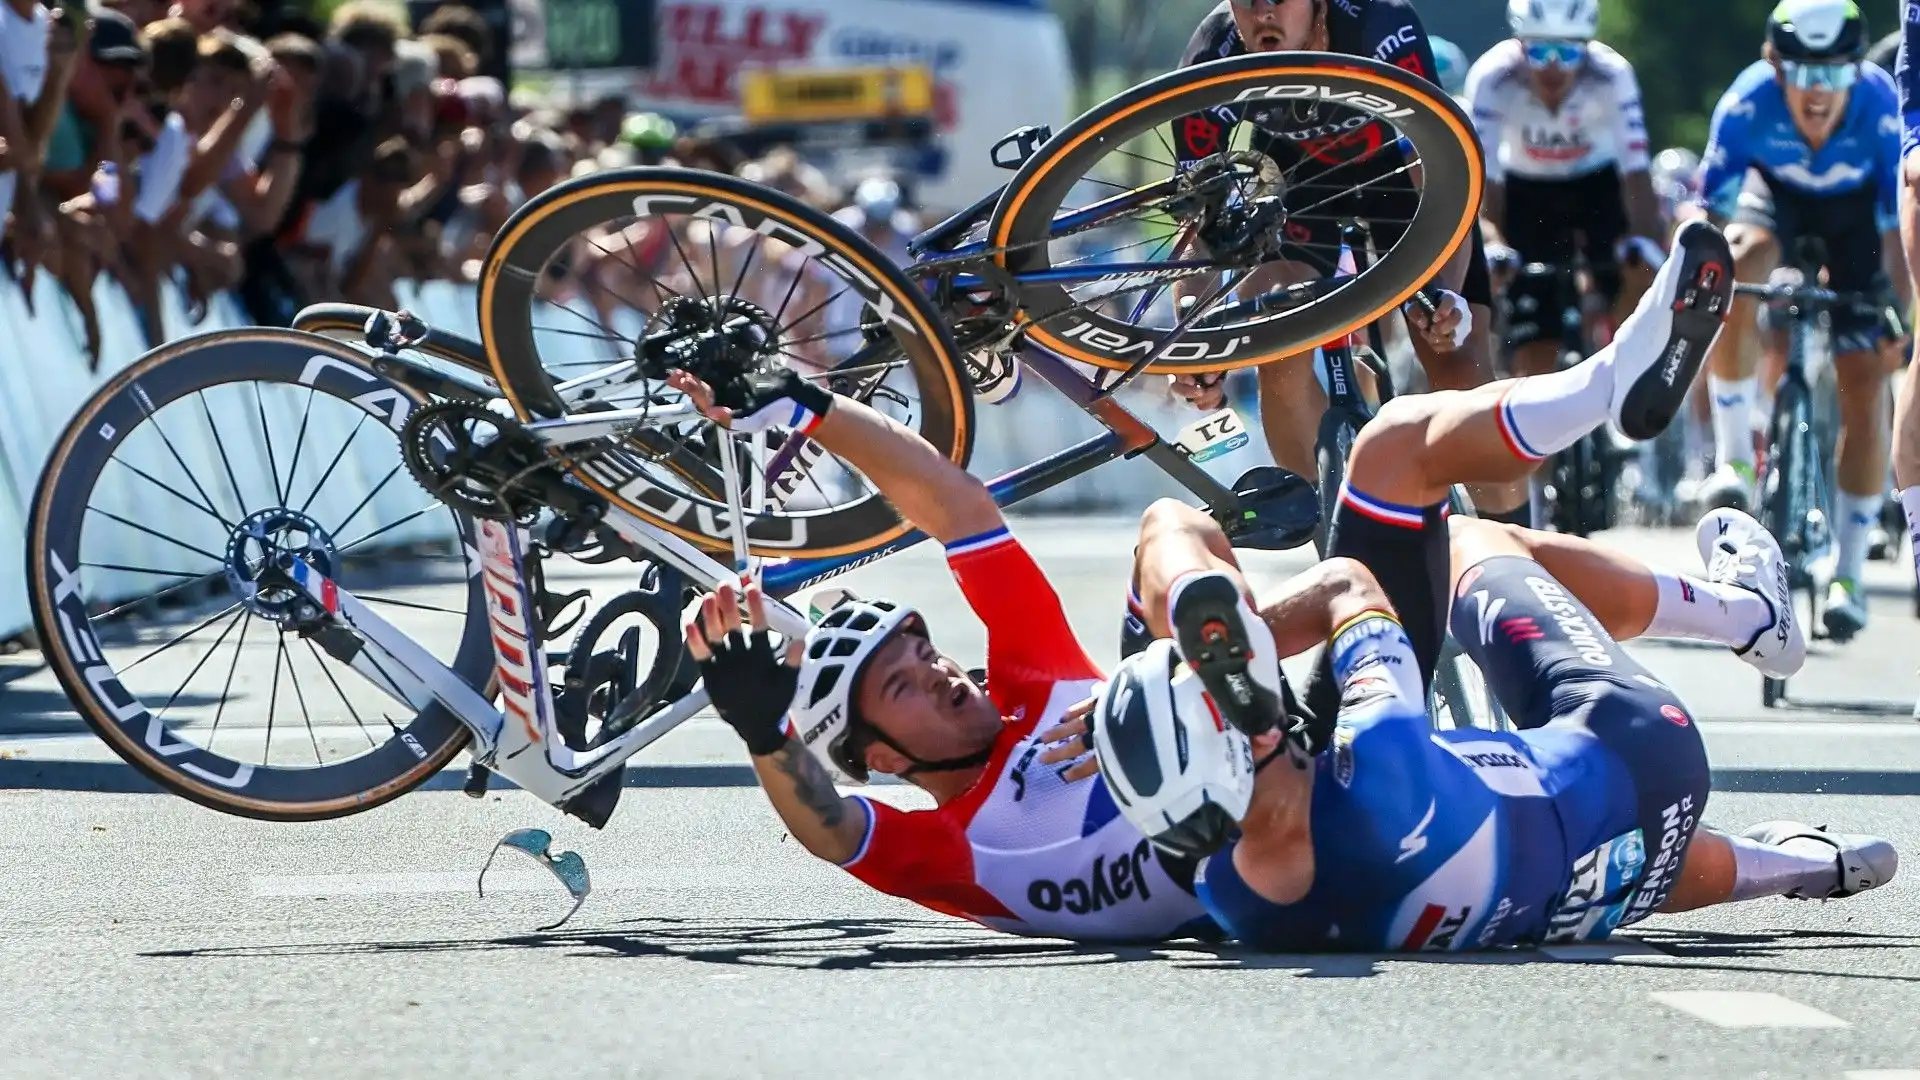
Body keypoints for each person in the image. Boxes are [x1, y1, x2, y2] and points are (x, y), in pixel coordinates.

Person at [668, 218, 1895, 949]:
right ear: (884, 759)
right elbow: (828, 830)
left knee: (1297, 508)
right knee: (1434, 517)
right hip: (1310, 783)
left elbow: (956, 509)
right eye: (908, 687)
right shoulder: (952, 848)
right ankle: (1734, 609)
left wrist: (804, 406)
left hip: (1278, 742)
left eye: (924, 651)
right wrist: (772, 735)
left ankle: (1695, 547)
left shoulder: (1032, 686)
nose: (942, 671)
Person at [1047, 219, 1898, 950]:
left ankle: (1802, 862)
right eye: (1239, 703)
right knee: (1422, 489)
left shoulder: (1236, 902)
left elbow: (1626, 869)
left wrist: (1796, 869)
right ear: (1251, 739)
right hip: (1639, 736)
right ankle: (1711, 556)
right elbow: (1347, 586)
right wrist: (1226, 640)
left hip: (1634, 853)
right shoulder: (1377, 764)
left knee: (1585, 856)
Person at [1163, 0, 1532, 528]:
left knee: (1461, 370)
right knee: (1278, 345)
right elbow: (1199, 221)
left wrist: (1446, 298)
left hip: (1399, 180)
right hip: (1296, 187)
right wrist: (1194, 333)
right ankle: (1327, 531)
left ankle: (1515, 538)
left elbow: (1439, 171)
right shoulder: (1211, 53)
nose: (1264, 12)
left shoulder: (1380, 27)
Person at [1689, 0, 1911, 639]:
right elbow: (1706, 216)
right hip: (1773, 204)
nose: (1818, 92)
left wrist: (1896, 314)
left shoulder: (1881, 110)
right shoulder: (1746, 103)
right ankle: (1733, 461)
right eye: (1803, 73)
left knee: (1866, 382)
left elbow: (1898, 243)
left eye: (1836, 74)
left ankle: (1849, 571)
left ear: (1855, 72)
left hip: (1856, 226)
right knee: (1731, 265)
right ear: (1772, 65)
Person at [1465, 0, 1664, 391]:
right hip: (1525, 191)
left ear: (1587, 47)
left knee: (1639, 271)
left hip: (1598, 187)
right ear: (1519, 45)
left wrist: (1642, 239)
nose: (1553, 67)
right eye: (1539, 51)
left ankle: (1627, 377)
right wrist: (1493, 243)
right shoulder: (1492, 77)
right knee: (1535, 353)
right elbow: (1484, 183)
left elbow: (1637, 174)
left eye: (1568, 52)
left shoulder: (1612, 75)